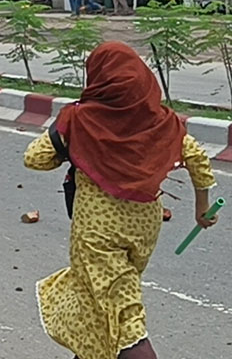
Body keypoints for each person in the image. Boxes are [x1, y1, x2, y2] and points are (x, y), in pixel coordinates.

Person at [24, 42, 216, 359]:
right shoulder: (163, 122)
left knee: (125, 317)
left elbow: (35, 158)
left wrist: (70, 145)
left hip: (98, 233)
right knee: (99, 299)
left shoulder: (79, 119)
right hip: (144, 227)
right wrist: (202, 207)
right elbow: (197, 158)